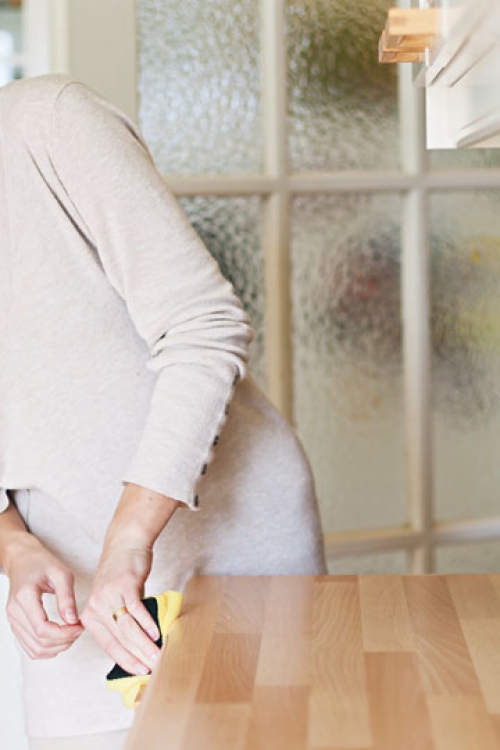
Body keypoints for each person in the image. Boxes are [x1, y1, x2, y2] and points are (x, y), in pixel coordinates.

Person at [0, 74, 326, 749]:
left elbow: (203, 328)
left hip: (230, 551)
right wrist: (15, 548)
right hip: (78, 593)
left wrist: (128, 538)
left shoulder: (49, 124)